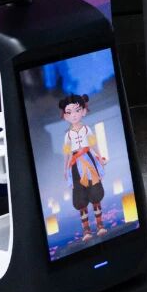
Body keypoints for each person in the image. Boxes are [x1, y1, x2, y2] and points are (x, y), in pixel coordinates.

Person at [59, 93, 107, 238]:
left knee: (95, 192)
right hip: (75, 165)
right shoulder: (67, 135)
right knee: (80, 196)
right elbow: (67, 153)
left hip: (89, 161)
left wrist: (100, 158)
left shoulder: (87, 129)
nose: (74, 115)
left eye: (77, 110)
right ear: (65, 116)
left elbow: (93, 145)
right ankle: (86, 230)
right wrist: (65, 169)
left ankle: (100, 225)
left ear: (83, 111)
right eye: (69, 112)